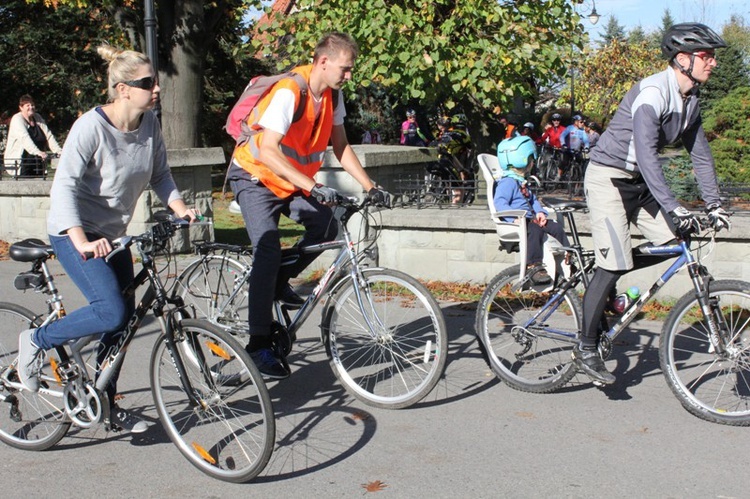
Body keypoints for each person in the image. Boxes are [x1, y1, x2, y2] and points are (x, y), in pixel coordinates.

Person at [16, 45, 200, 432]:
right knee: (111, 311)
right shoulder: (90, 127)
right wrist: (81, 240)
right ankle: (36, 339)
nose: (156, 89)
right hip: (75, 232)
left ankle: (104, 399)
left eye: (156, 82)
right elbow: (63, 187)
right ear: (122, 89)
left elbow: (160, 175)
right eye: (147, 83)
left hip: (113, 236)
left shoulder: (149, 125)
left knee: (122, 323)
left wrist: (181, 208)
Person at [574, 23, 731, 385]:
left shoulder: (690, 102)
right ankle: (585, 347)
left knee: (676, 242)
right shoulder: (653, 93)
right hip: (609, 178)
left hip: (638, 183)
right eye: (707, 56)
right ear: (682, 59)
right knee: (613, 263)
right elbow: (646, 154)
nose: (714, 63)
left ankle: (607, 269)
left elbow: (701, 156)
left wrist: (715, 204)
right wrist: (673, 204)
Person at [227, 32, 390, 379]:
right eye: (344, 69)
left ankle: (276, 282)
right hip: (256, 177)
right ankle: (257, 345)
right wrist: (313, 186)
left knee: (327, 226)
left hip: (291, 181)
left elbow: (341, 144)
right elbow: (269, 150)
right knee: (268, 248)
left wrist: (369, 185)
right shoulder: (291, 91)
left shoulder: (332, 95)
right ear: (323, 62)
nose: (348, 76)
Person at [494, 135, 570, 284]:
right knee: (535, 230)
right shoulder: (507, 182)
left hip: (530, 219)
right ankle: (534, 266)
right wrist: (513, 218)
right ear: (523, 160)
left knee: (555, 227)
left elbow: (533, 200)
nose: (532, 163)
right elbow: (500, 202)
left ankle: (567, 255)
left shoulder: (521, 182)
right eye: (531, 159)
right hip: (519, 221)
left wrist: (540, 212)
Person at [4, 95, 63, 176]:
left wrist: (59, 151)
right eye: (27, 105)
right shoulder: (17, 119)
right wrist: (38, 152)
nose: (31, 107)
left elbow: (48, 136)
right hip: (22, 162)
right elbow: (25, 139)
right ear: (21, 107)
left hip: (38, 161)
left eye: (32, 105)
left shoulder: (37, 117)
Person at [559, 114, 590, 179]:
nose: (583, 124)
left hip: (577, 151)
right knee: (563, 162)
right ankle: (558, 176)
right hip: (568, 150)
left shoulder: (582, 131)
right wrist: (563, 144)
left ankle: (577, 180)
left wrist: (586, 147)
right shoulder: (569, 128)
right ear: (576, 122)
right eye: (581, 122)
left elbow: (586, 140)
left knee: (581, 163)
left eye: (583, 122)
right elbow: (562, 136)